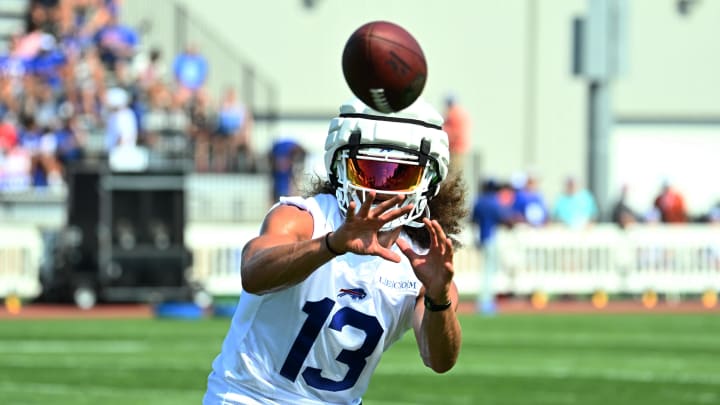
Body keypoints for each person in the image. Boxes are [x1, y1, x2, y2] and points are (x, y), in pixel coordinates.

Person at [204, 96, 467, 404]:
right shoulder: (304, 219)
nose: (381, 188)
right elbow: (252, 274)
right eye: (368, 171)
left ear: (428, 182)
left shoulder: (420, 262)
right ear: (339, 166)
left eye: (400, 175)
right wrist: (330, 245)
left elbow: (439, 360)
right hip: (248, 398)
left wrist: (439, 297)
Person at [471, 177, 515, 314]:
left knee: (485, 271)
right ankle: (486, 302)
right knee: (489, 272)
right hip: (491, 237)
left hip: (480, 237)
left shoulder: (478, 201)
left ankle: (485, 300)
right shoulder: (494, 202)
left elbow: (473, 219)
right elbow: (503, 218)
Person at [442, 93, 470, 175]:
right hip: (459, 149)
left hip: (455, 149)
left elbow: (455, 133)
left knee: (453, 174)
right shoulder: (461, 112)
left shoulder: (454, 114)